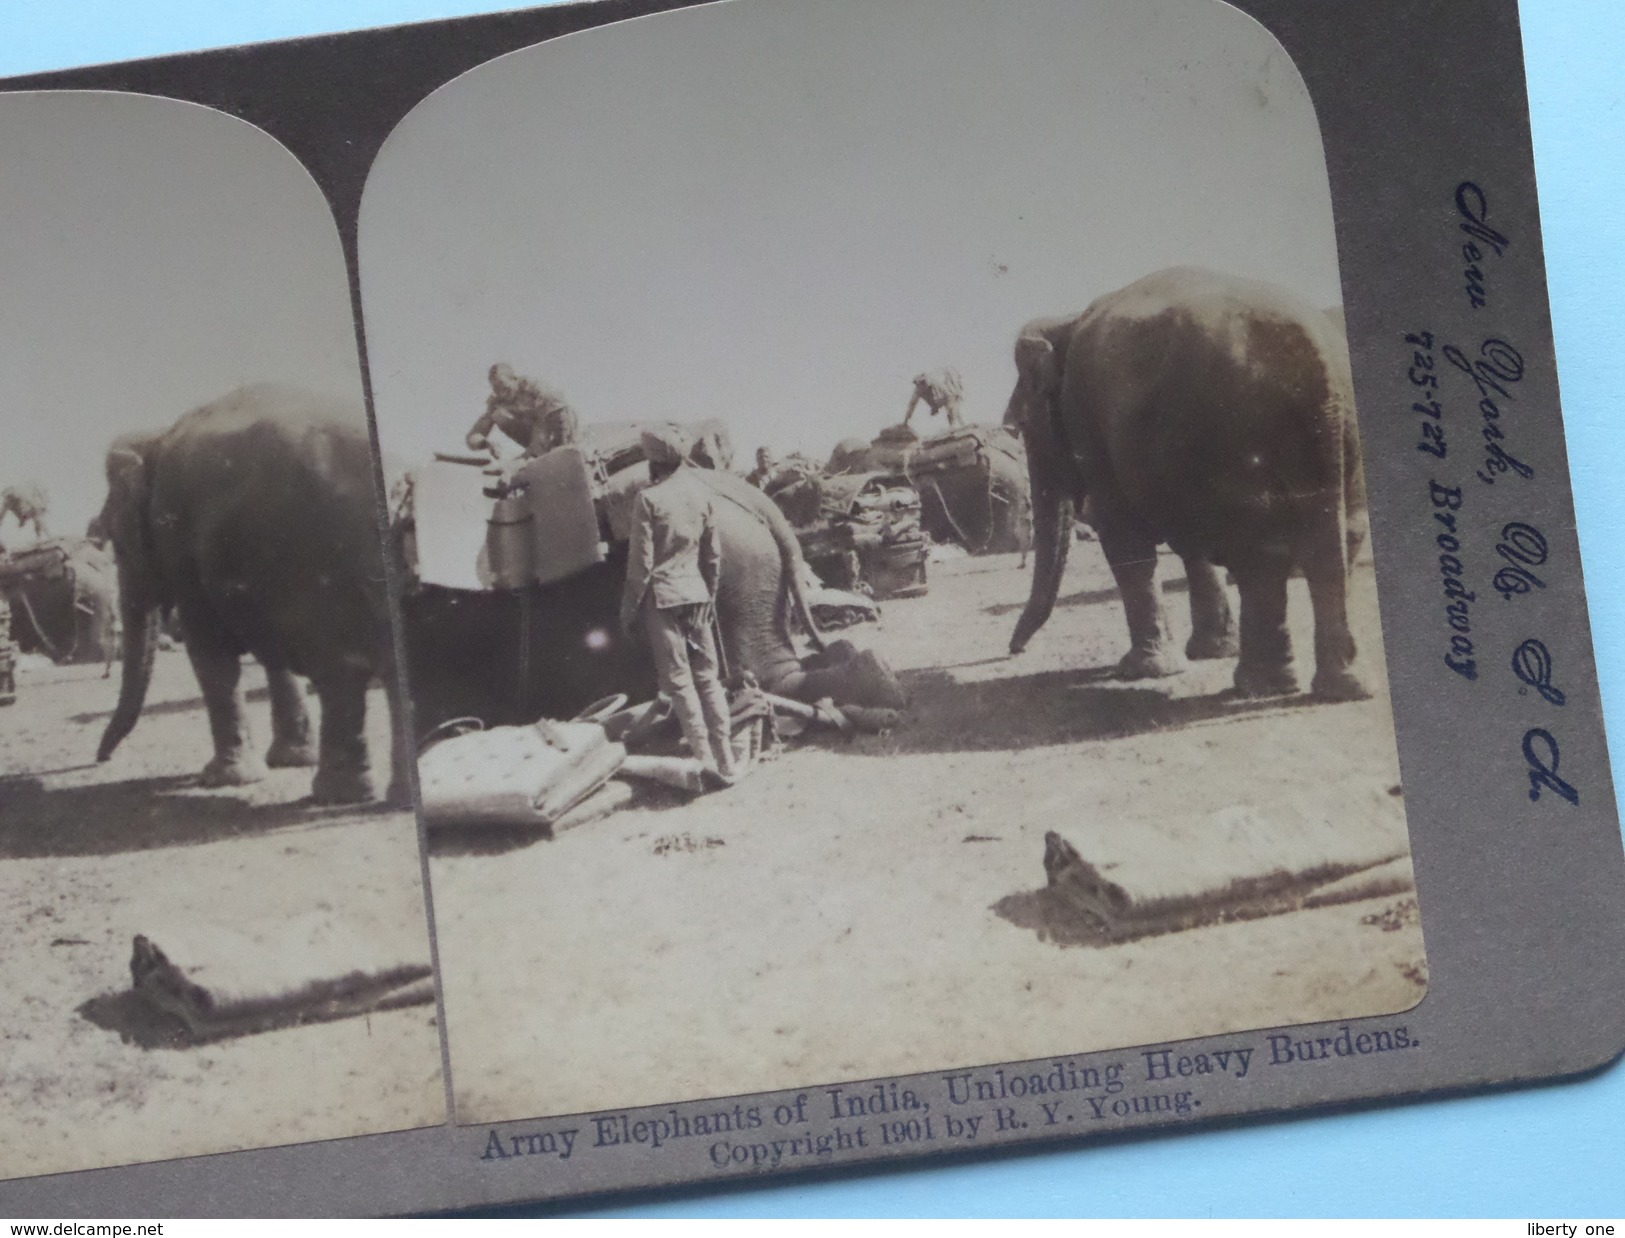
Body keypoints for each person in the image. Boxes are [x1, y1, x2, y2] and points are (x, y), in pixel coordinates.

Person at [620, 425, 738, 790]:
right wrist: (709, 596)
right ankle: (727, 759)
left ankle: (703, 762)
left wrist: (628, 612)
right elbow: (713, 557)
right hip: (697, 594)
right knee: (709, 677)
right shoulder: (700, 495)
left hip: (664, 599)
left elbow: (640, 565)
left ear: (652, 462)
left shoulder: (648, 499)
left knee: (680, 682)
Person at [464, 363, 580, 459]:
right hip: (536, 439)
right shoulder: (497, 402)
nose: (501, 393)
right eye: (496, 389)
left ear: (514, 379)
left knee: (553, 407)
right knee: (498, 414)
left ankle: (541, 453)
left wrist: (558, 446)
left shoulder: (534, 387)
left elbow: (560, 411)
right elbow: (473, 435)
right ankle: (535, 454)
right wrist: (486, 444)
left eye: (503, 386)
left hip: (559, 430)